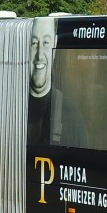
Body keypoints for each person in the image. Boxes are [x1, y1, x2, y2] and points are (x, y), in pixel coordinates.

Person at [26, 16, 87, 147]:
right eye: (34, 43)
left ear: (55, 45)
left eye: (46, 43)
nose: (40, 55)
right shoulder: (12, 110)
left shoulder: (71, 117)